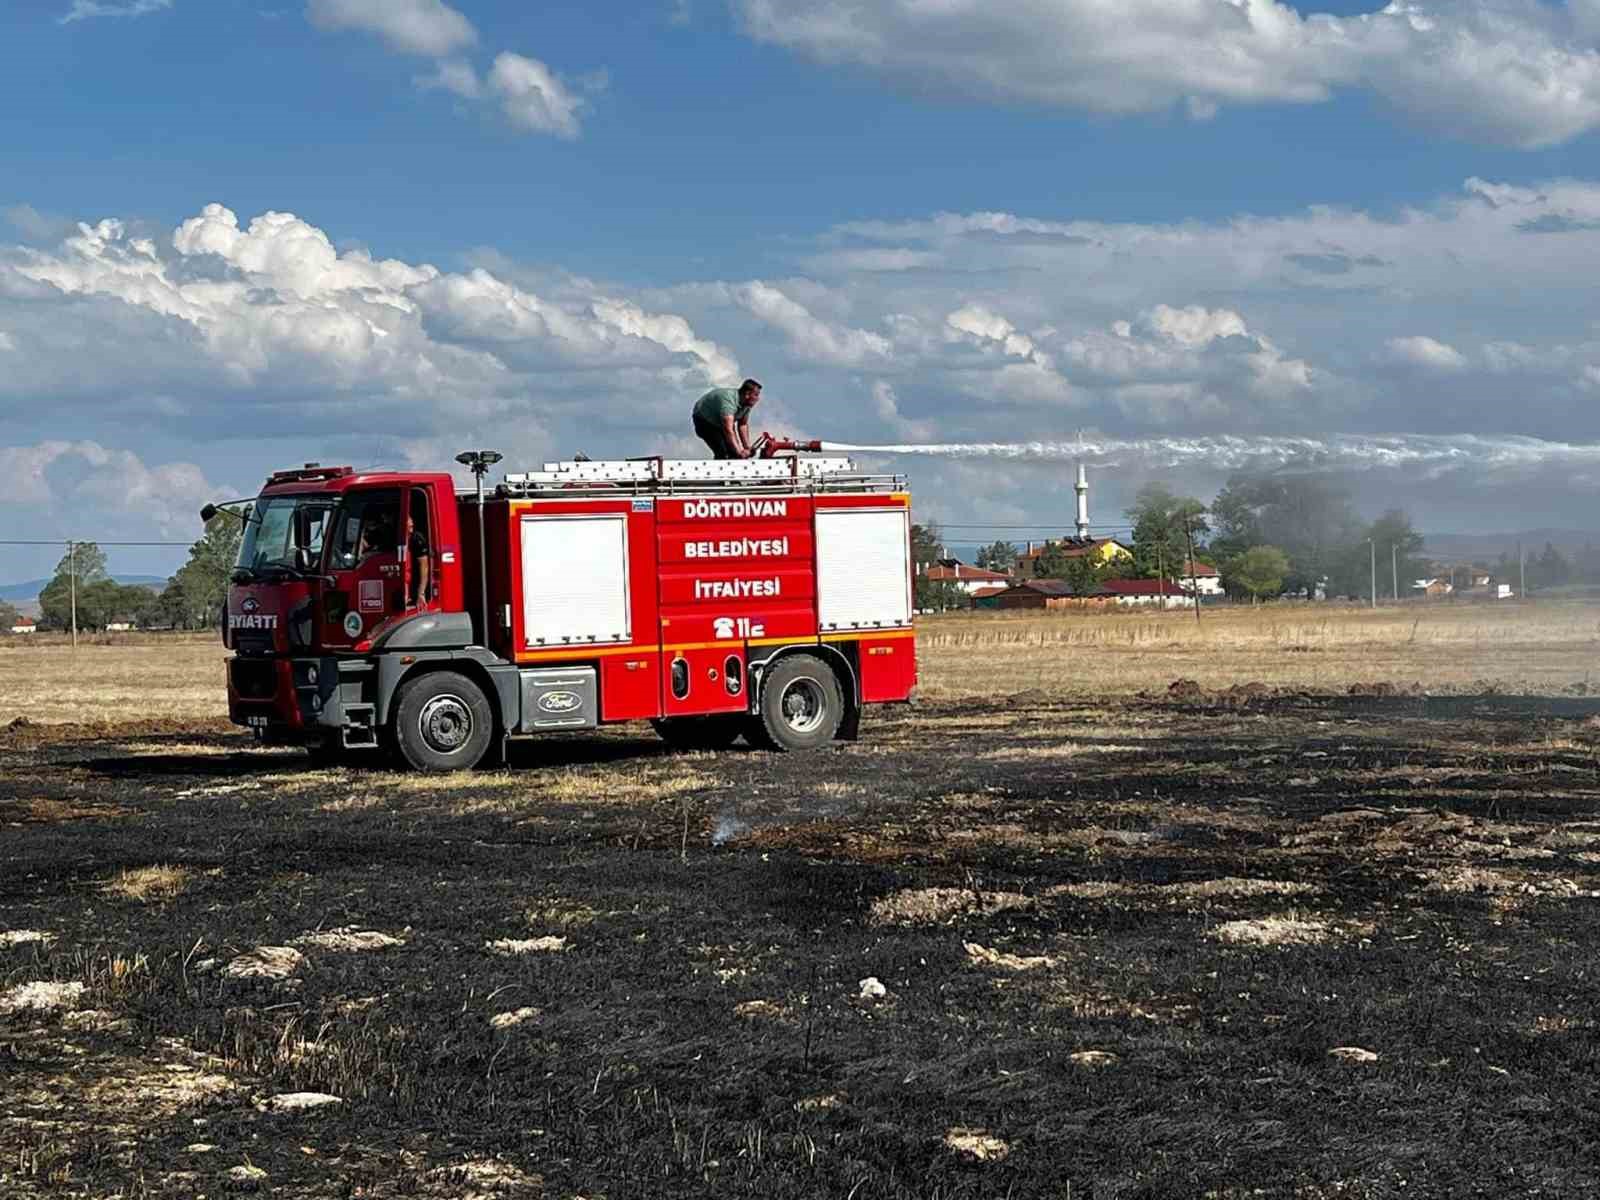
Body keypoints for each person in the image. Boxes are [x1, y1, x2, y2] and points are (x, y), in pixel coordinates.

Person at [692, 379, 761, 459]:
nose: (758, 398)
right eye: (756, 395)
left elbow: (742, 425)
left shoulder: (747, 404)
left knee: (734, 453)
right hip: (704, 420)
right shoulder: (729, 402)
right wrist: (739, 452)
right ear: (747, 394)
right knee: (724, 453)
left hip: (721, 422)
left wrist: (747, 447)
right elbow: (728, 430)